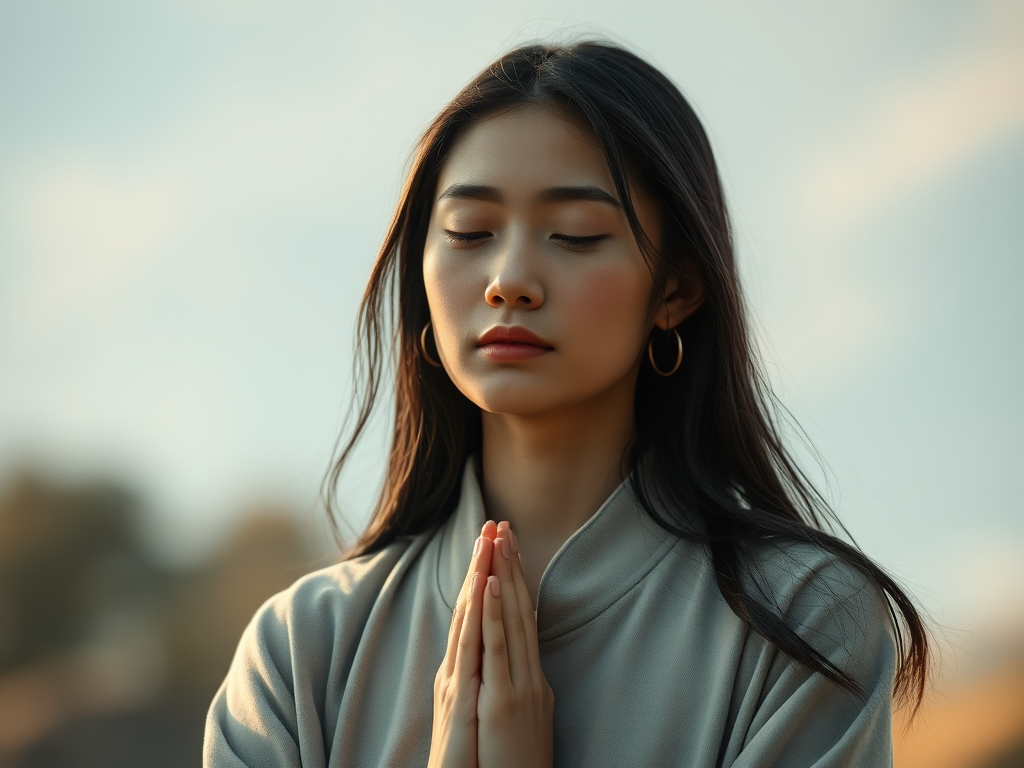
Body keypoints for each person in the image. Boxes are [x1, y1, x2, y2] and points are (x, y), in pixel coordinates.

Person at [204, 40, 929, 767]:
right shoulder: (299, 654)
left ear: (676, 289)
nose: (509, 279)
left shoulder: (802, 625)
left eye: (575, 235)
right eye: (469, 232)